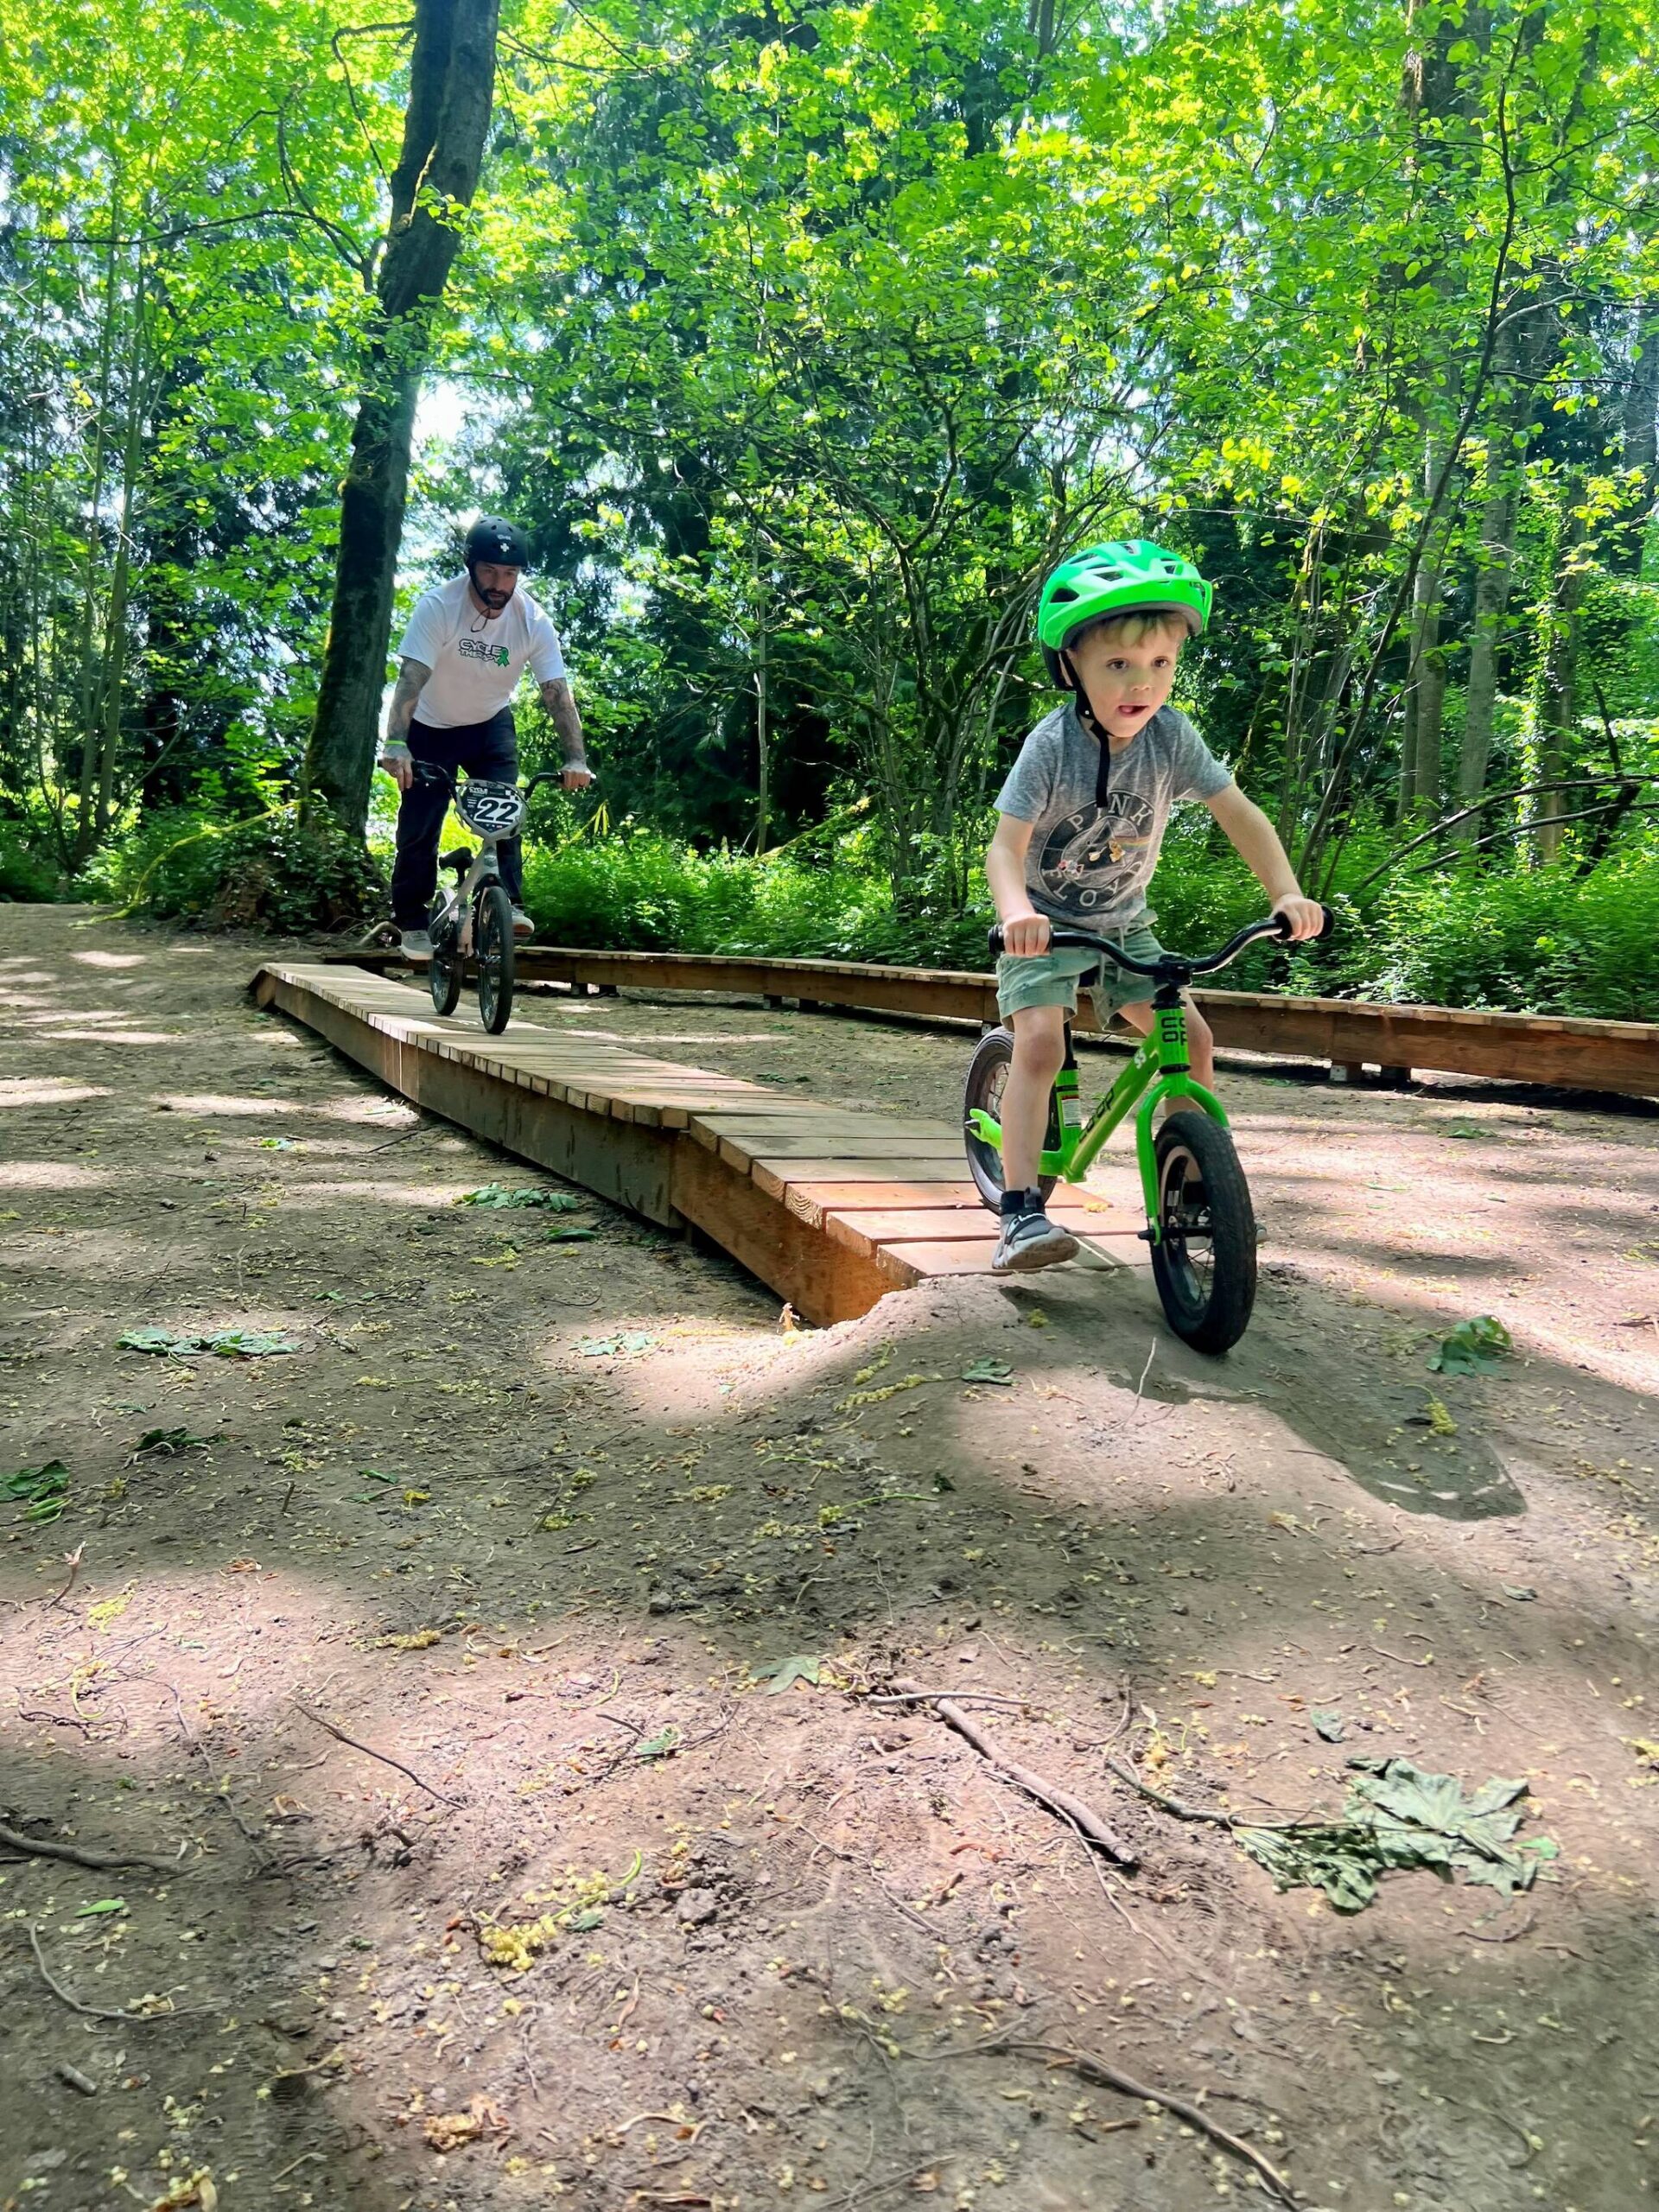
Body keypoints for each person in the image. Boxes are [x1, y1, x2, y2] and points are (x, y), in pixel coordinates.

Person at [985, 538, 1325, 1274]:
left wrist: (1286, 892)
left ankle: (1197, 1192)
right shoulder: (1050, 746)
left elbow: (1239, 811)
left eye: (1161, 664)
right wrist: (1017, 912)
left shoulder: (1172, 737)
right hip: (1043, 924)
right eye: (1117, 665)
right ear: (1071, 664)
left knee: (1193, 1043)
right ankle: (1018, 1212)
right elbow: (1004, 849)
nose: (1142, 681)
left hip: (1124, 924)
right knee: (1040, 1046)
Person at [378, 516, 594, 960]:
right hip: (431, 728)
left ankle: (509, 901)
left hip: (489, 726)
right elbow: (411, 680)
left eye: (510, 574)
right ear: (471, 566)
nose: (499, 584)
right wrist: (397, 742)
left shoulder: (532, 620)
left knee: (505, 811)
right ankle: (412, 920)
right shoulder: (439, 607)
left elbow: (556, 692)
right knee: (420, 825)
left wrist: (576, 757)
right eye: (490, 572)